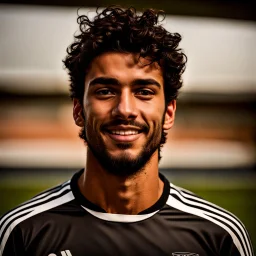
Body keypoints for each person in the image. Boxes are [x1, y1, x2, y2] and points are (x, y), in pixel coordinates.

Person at [0, 6, 254, 256]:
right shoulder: (21, 233)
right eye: (105, 91)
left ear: (168, 113)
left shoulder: (220, 236)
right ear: (79, 110)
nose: (124, 109)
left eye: (144, 91)